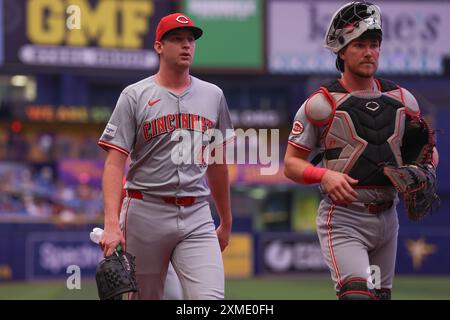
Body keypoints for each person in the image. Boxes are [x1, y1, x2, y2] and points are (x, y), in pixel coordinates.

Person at [284, 1, 438, 300]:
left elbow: (429, 151)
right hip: (344, 218)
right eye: (360, 45)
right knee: (357, 296)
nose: (370, 52)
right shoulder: (321, 104)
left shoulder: (402, 100)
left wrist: (427, 169)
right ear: (342, 51)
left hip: (387, 217)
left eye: (375, 44)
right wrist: (323, 175)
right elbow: (291, 164)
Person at [98, 12, 234, 300]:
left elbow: (218, 164)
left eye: (190, 40)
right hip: (145, 212)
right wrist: (111, 224)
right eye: (176, 39)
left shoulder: (214, 96)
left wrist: (226, 220)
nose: (186, 45)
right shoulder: (134, 95)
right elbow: (114, 164)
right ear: (159, 46)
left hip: (197, 212)